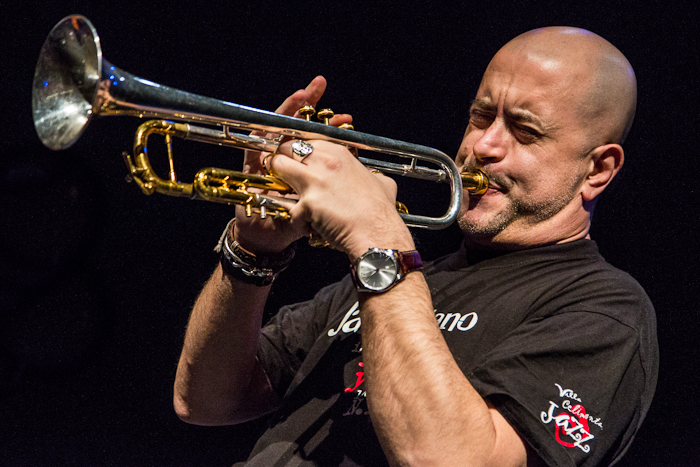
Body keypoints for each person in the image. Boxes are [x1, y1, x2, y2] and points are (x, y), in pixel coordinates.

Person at [173, 27, 658, 467]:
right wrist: (252, 253)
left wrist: (378, 239)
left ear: (597, 170)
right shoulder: (399, 276)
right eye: (481, 116)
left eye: (525, 131)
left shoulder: (603, 309)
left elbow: (453, 460)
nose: (483, 146)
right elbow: (204, 401)